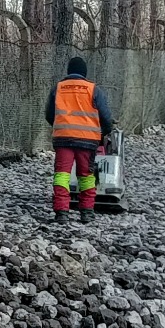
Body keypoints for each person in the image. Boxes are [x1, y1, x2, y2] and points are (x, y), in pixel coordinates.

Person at [45, 55, 114, 215]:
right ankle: (86, 211)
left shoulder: (59, 87)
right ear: (84, 72)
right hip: (88, 140)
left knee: (62, 174)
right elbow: (105, 116)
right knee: (86, 175)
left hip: (63, 139)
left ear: (69, 71)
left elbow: (49, 114)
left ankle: (61, 211)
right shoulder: (93, 89)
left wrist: (60, 127)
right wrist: (105, 131)